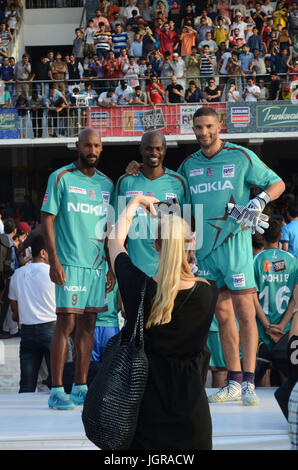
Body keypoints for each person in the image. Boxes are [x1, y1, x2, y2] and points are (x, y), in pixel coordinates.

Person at [178, 107, 285, 405]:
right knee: (222, 316)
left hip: (235, 246)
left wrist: (259, 201)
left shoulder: (240, 156)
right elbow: (183, 211)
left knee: (245, 313)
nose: (204, 133)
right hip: (205, 253)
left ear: (219, 126)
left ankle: (250, 382)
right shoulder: (188, 165)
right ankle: (235, 381)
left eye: (209, 126)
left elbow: (278, 183)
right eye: (198, 127)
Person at [108, 193, 218, 450]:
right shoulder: (208, 292)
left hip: (145, 412)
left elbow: (114, 241)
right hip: (192, 413)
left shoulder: (139, 288)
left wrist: (134, 203)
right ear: (191, 243)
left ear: (155, 245)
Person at [41, 128, 115, 410]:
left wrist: (110, 266)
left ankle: (81, 387)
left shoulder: (106, 184)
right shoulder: (60, 177)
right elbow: (48, 218)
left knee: (89, 325)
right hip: (69, 263)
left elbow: (109, 229)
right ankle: (57, 389)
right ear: (77, 146)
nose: (92, 151)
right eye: (87, 146)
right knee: (66, 323)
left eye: (96, 146)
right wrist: (54, 261)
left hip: (97, 266)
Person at [115, 131, 190, 278]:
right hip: (135, 268)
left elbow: (187, 225)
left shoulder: (178, 182)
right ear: (141, 149)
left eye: (158, 148)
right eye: (149, 148)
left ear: (165, 150)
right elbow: (116, 228)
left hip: (169, 270)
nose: (154, 152)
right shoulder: (125, 182)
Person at [9, 235, 56, 393]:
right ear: (44, 252)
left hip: (27, 331)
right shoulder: (55, 273)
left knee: (27, 384)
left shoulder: (17, 275)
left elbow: (15, 313)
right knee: (59, 380)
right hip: (52, 328)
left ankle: (23, 415)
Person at [253, 219, 298, 386]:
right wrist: (281, 326)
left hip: (261, 329)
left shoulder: (255, 260)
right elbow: (295, 298)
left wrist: (267, 326)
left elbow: (252, 298)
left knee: (263, 372)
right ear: (280, 236)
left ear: (262, 236)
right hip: (285, 329)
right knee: (286, 374)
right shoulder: (293, 260)